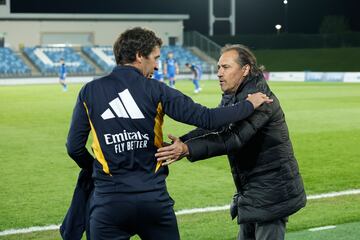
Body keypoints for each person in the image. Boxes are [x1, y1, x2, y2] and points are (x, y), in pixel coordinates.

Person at [65, 29, 272, 240]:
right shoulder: (157, 90)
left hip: (108, 205)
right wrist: (248, 104)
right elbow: (208, 118)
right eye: (155, 58)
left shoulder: (89, 92)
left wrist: (95, 168)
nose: (156, 65)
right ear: (139, 55)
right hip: (153, 202)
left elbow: (73, 147)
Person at [156, 44, 307, 240]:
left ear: (245, 70)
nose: (219, 73)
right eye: (218, 67)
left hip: (272, 191)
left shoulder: (261, 100)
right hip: (252, 190)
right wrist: (182, 142)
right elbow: (216, 126)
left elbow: (234, 137)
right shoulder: (234, 97)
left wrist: (187, 149)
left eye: (225, 67)